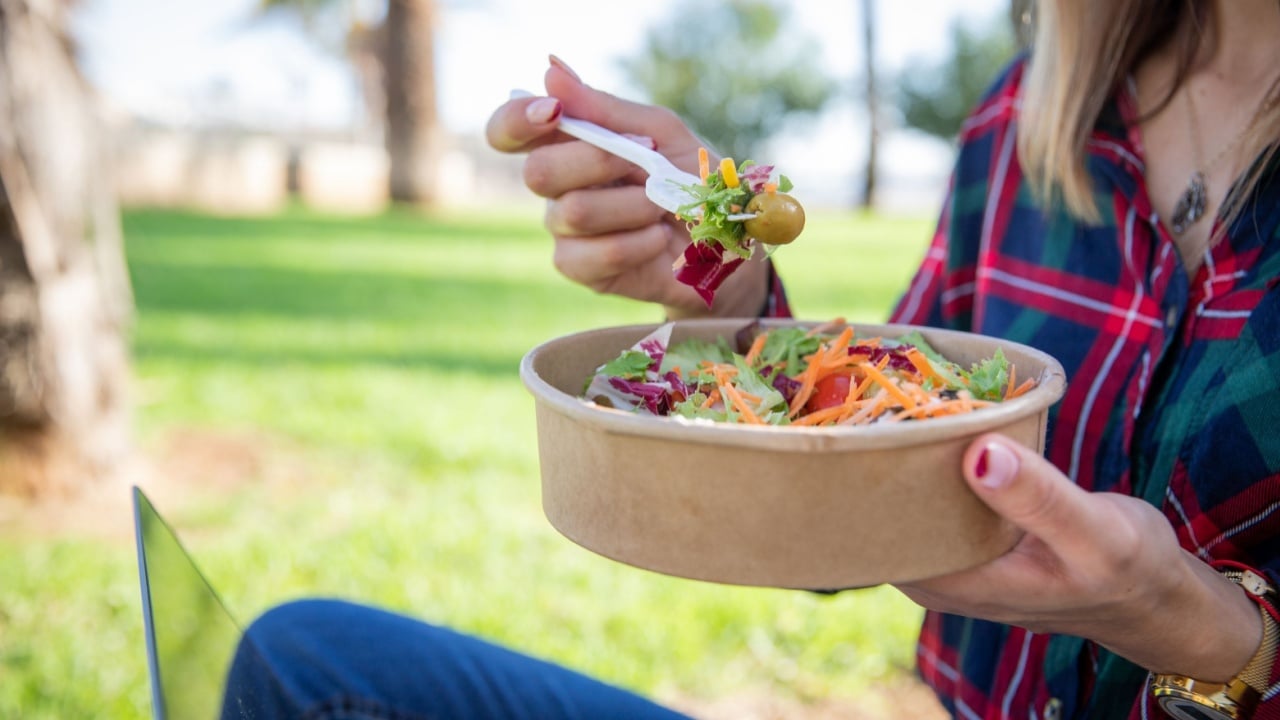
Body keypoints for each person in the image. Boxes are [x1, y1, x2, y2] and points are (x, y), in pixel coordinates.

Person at [221, 0, 1280, 718]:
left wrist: (1206, 638)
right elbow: (864, 489)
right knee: (304, 663)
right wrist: (733, 313)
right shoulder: (1026, 118)